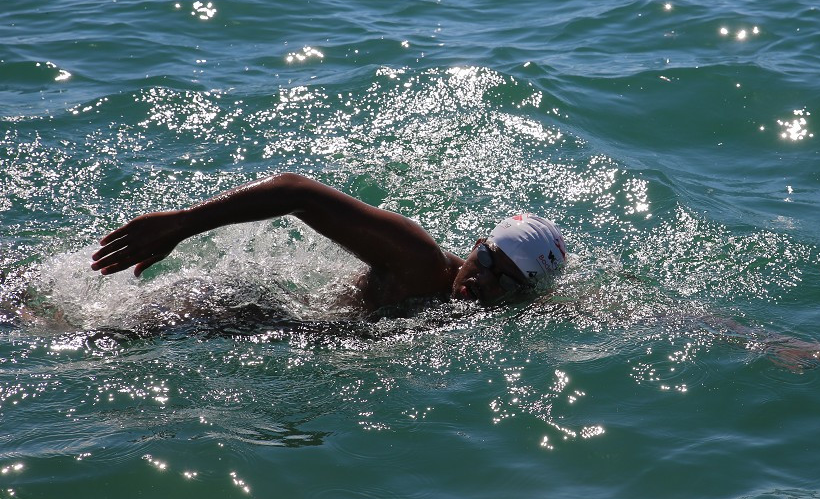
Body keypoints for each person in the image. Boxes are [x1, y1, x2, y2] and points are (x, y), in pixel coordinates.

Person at [91, 172, 567, 312]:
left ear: (526, 294)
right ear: (475, 245)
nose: (483, 277)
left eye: (504, 277)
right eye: (485, 257)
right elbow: (297, 192)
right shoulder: (418, 261)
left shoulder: (513, 309)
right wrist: (182, 224)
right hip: (235, 312)